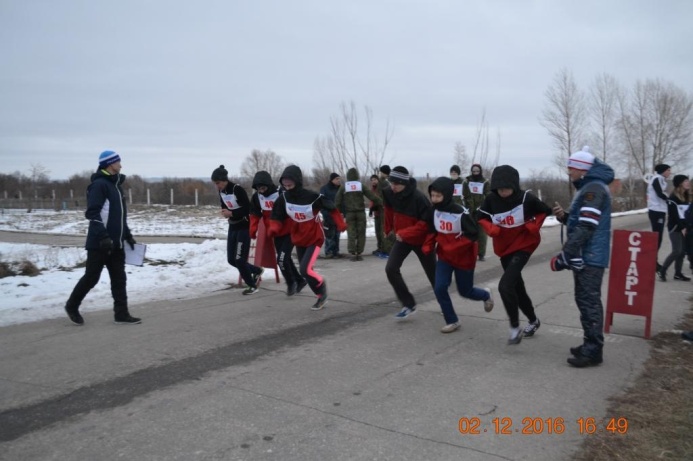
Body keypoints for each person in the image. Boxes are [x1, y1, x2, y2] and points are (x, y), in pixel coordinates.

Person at [551, 148, 614, 368]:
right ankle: (590, 342)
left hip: (591, 256)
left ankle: (593, 349)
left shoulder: (594, 189)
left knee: (589, 301)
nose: (569, 172)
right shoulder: (589, 187)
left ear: (583, 168)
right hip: (588, 255)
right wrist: (565, 217)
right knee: (584, 300)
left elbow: (587, 226)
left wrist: (565, 255)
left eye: (572, 167)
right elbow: (581, 221)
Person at [64, 150, 141, 325]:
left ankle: (121, 314)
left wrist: (127, 235)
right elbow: (93, 213)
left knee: (119, 279)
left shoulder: (116, 186)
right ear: (110, 164)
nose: (121, 165)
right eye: (118, 162)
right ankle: (72, 305)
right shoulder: (99, 185)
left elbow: (119, 216)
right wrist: (103, 236)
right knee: (91, 277)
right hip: (100, 243)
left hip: (117, 244)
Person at [477, 165, 552, 344]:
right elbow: (480, 216)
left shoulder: (526, 198)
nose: (503, 192)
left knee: (505, 286)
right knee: (517, 288)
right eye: (500, 189)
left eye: (507, 188)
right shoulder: (491, 199)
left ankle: (514, 327)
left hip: (524, 245)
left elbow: (544, 211)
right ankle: (533, 320)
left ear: (514, 186)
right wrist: (491, 228)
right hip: (504, 249)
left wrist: (534, 225)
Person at [269, 165, 347, 310]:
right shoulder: (284, 198)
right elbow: (276, 214)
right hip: (299, 239)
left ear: (297, 181)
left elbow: (331, 208)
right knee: (304, 272)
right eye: (284, 184)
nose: (287, 187)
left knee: (305, 269)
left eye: (290, 183)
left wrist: (340, 224)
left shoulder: (312, 196)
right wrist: (274, 227)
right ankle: (320, 295)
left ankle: (321, 287)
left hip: (315, 238)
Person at [422, 177, 494, 333]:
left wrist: (454, 247)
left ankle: (485, 295)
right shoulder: (433, 211)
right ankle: (452, 320)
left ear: (447, 195)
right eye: (432, 195)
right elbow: (432, 231)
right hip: (445, 258)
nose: (434, 199)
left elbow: (473, 235)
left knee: (465, 291)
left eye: (438, 196)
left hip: (464, 258)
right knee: (440, 288)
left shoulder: (460, 213)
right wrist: (428, 246)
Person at [382, 166, 437, 319]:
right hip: (403, 239)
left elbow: (426, 224)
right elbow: (388, 210)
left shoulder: (419, 198)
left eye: (396, 184)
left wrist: (405, 233)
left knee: (434, 275)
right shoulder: (389, 192)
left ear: (404, 183)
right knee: (391, 269)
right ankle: (408, 304)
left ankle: (445, 303)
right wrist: (388, 229)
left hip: (422, 240)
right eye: (391, 183)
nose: (392, 187)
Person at [249, 171, 307, 296]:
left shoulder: (282, 193)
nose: (262, 191)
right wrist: (253, 229)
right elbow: (254, 214)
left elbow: (296, 209)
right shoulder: (257, 197)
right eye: (259, 189)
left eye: (263, 188)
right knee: (284, 258)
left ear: (269, 185)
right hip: (275, 233)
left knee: (281, 259)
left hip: (290, 231)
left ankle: (291, 283)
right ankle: (300, 280)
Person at [212, 165, 264, 295]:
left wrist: (232, 213)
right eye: (215, 184)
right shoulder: (222, 192)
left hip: (244, 227)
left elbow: (247, 209)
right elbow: (224, 206)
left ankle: (252, 286)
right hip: (233, 226)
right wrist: (225, 212)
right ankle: (256, 271)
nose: (217, 186)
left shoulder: (237, 189)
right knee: (231, 259)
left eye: (218, 183)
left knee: (240, 260)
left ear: (224, 180)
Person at [336, 167, 382, 261]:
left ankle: (352, 253)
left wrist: (339, 211)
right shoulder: (360, 185)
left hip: (349, 213)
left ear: (348, 176)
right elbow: (372, 196)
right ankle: (359, 252)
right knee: (361, 233)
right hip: (360, 213)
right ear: (357, 176)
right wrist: (381, 202)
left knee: (351, 232)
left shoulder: (344, 186)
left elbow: (338, 200)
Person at [657, 174, 691, 282]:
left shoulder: (686, 197)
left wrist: (687, 226)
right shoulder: (673, 198)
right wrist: (682, 227)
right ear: (680, 183)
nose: (688, 183)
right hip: (675, 227)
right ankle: (662, 271)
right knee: (676, 251)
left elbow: (687, 214)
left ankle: (678, 273)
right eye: (685, 181)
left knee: (682, 252)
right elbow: (674, 216)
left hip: (685, 227)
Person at [463, 163, 491, 261]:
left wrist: (484, 206)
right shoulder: (466, 181)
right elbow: (464, 194)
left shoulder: (485, 182)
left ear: (480, 171)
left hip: (481, 210)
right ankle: (470, 252)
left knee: (482, 233)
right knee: (469, 232)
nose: (475, 173)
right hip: (469, 210)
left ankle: (481, 254)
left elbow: (488, 195)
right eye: (473, 171)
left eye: (477, 171)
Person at [647, 163, 672, 271]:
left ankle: (653, 261)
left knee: (659, 237)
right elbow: (659, 193)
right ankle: (652, 262)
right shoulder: (657, 178)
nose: (670, 172)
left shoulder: (661, 179)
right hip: (656, 210)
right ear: (663, 171)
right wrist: (669, 200)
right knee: (657, 237)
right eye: (668, 170)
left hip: (660, 210)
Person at [320, 173, 343, 259]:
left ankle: (336, 251)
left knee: (337, 234)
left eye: (339, 179)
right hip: (328, 214)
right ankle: (328, 251)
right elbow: (321, 202)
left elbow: (343, 201)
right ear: (332, 179)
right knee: (330, 234)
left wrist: (343, 212)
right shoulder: (324, 189)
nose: (338, 180)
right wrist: (325, 213)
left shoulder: (341, 189)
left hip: (338, 215)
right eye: (337, 179)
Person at [377, 165, 394, 257]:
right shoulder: (382, 182)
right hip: (382, 208)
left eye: (381, 172)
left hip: (386, 208)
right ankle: (383, 248)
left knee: (386, 228)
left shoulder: (387, 183)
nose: (379, 174)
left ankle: (388, 250)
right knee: (382, 228)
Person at [369, 174, 387, 258]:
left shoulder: (380, 189)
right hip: (376, 212)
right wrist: (371, 209)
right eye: (372, 180)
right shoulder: (372, 190)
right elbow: (372, 201)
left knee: (381, 231)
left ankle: (384, 247)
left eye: (375, 179)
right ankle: (379, 247)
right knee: (377, 231)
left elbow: (381, 200)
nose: (373, 181)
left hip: (382, 212)